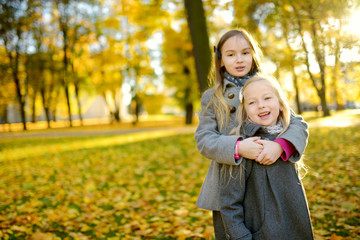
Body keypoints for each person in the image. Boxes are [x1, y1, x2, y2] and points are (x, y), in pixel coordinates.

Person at [194, 29, 309, 239]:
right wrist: (237, 147)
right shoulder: (212, 98)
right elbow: (204, 139)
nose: (239, 59)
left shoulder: (266, 86)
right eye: (230, 54)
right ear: (220, 60)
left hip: (270, 177)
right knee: (234, 231)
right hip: (231, 179)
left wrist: (280, 145)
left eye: (245, 53)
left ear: (253, 55)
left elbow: (297, 123)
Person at [219, 75, 313, 240]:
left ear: (281, 104)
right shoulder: (246, 145)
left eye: (267, 98)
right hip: (264, 234)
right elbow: (229, 203)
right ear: (245, 110)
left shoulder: (287, 136)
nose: (261, 106)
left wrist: (280, 146)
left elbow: (302, 127)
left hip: (297, 228)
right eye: (252, 102)